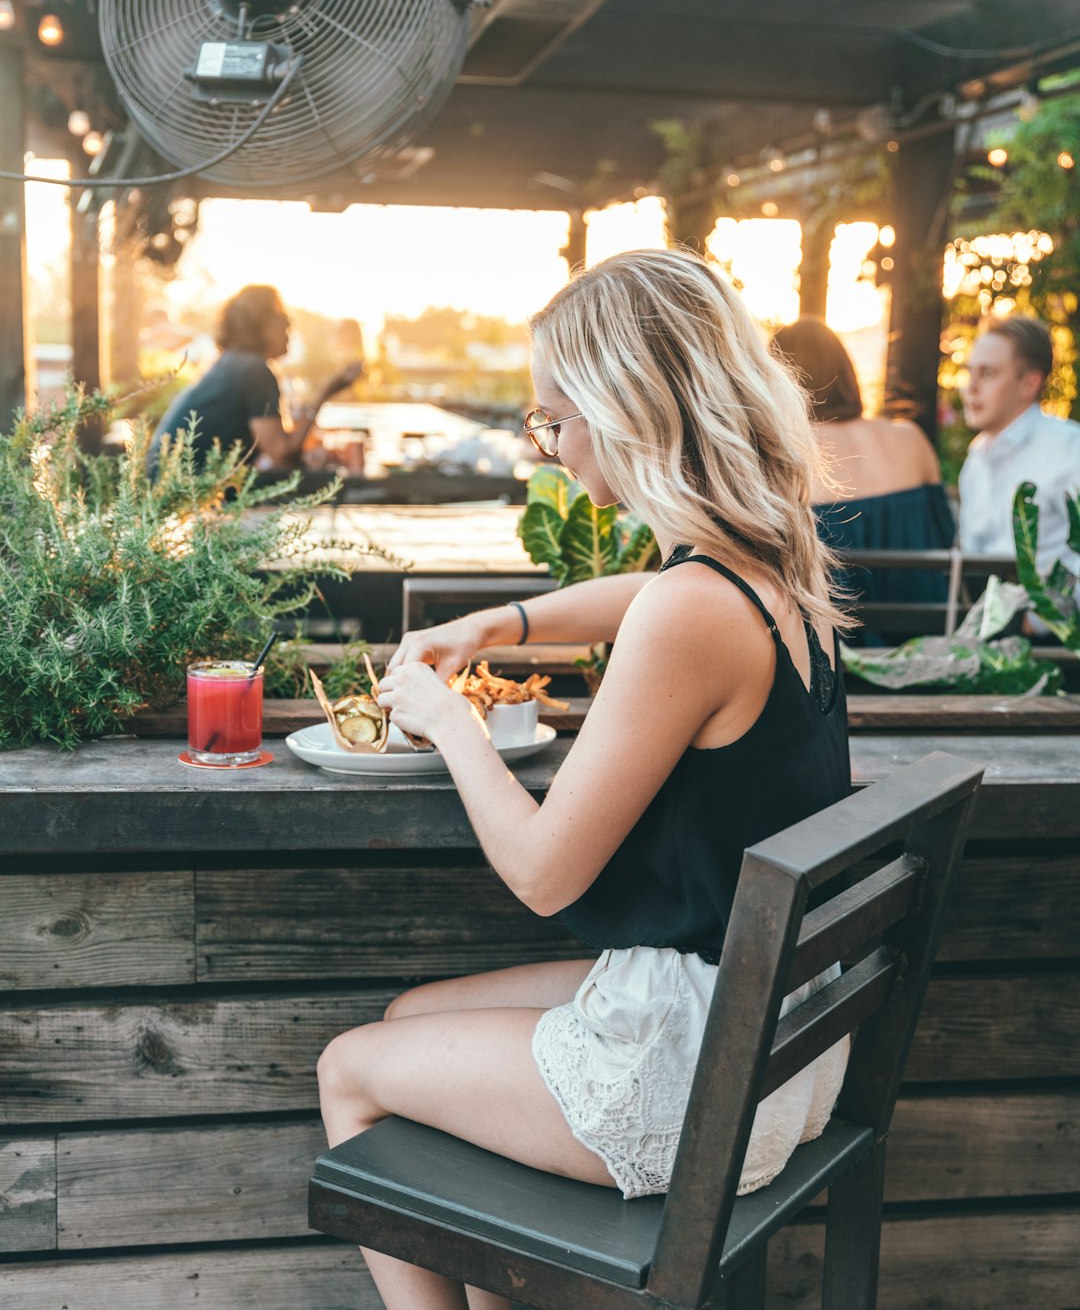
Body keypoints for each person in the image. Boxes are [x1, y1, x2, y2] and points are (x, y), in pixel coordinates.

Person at [316, 250, 853, 1310]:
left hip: (703, 1067)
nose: (550, 450)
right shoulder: (770, 560)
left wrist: (447, 719)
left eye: (554, 420)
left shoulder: (693, 610)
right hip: (782, 1034)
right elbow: (643, 597)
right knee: (410, 1014)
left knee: (351, 1069)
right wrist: (499, 624)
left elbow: (544, 875)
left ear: (630, 410)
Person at [770, 318, 954, 642]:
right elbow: (944, 538)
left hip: (834, 654)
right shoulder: (910, 439)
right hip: (925, 644)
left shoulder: (781, 457)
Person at [146, 285, 363, 474]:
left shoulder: (234, 365)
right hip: (184, 497)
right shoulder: (254, 371)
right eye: (285, 320)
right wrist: (324, 393)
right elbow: (282, 454)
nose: (290, 328)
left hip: (172, 487)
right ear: (264, 326)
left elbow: (277, 443)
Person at [959, 315, 1080, 584]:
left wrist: (1039, 619)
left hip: (1053, 624)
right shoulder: (976, 458)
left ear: (1028, 384)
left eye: (987, 373)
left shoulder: (1070, 448)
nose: (971, 387)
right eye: (969, 372)